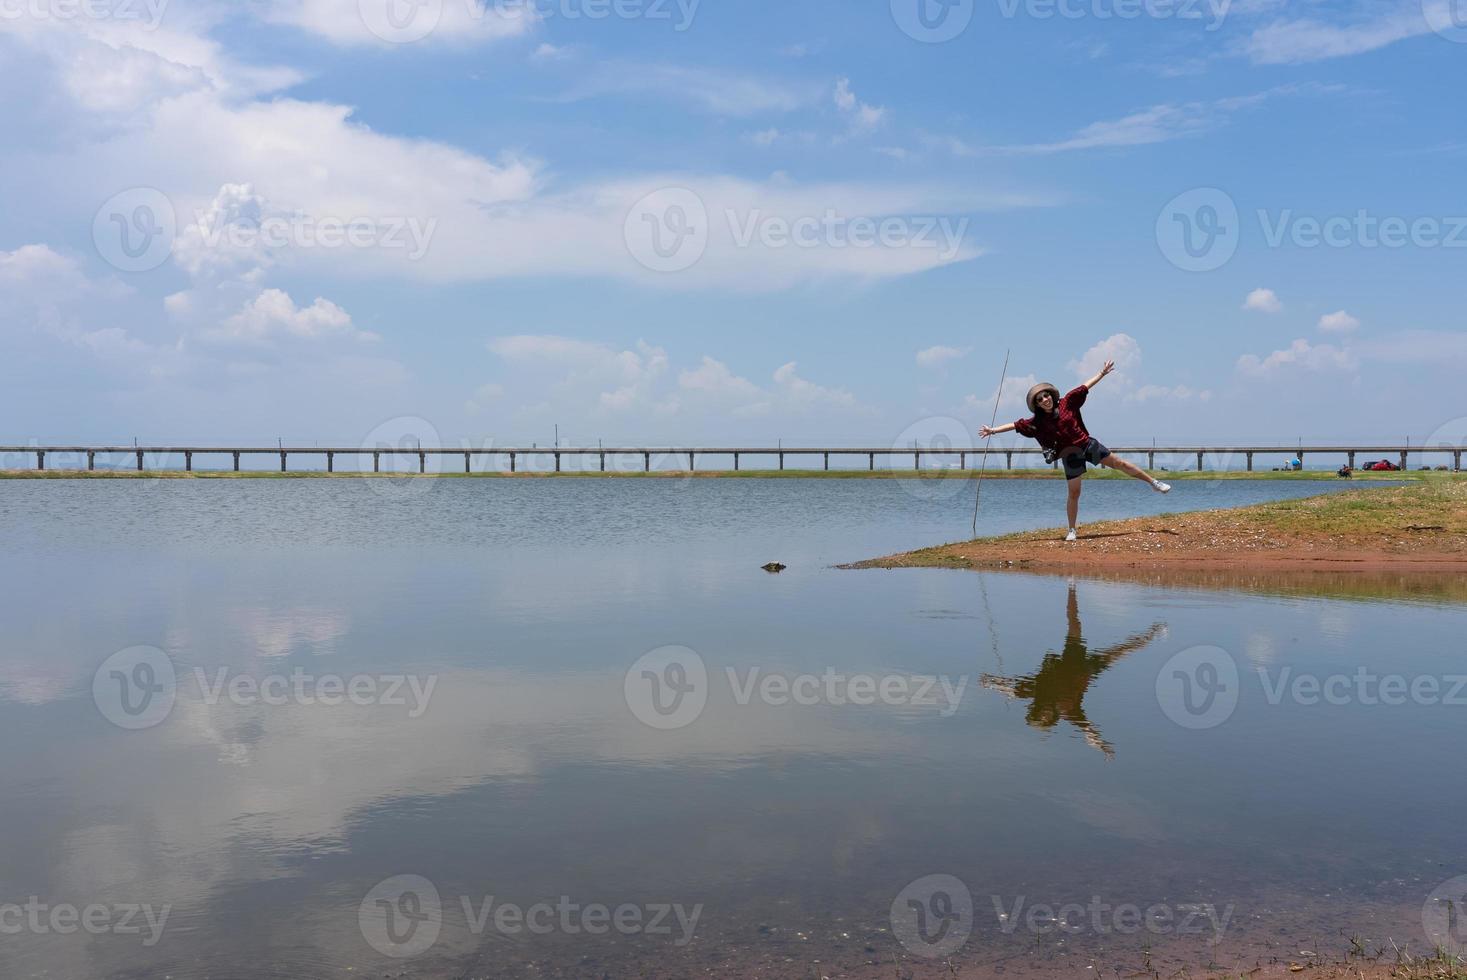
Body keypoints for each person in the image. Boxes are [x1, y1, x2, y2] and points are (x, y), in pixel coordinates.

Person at [979, 359, 1170, 542]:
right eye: (1040, 399)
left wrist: (1102, 373)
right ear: (1036, 404)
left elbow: (1085, 386)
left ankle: (1153, 482)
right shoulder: (1037, 421)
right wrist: (992, 431)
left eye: (1046, 395)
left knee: (1120, 464)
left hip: (1087, 444)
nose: (1044, 400)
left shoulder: (1067, 402)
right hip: (1069, 455)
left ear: (1051, 395)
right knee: (1074, 493)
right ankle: (1071, 530)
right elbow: (1015, 424)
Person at [980, 583, 1167, 759]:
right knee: (1124, 650)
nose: (1044, 714)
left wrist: (991, 683)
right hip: (1086, 670)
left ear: (1035, 710)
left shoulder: (1034, 693)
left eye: (1040, 715)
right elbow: (1087, 729)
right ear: (1051, 718)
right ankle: (1154, 633)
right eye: (1045, 718)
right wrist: (1100, 744)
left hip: (1069, 661)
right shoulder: (1068, 711)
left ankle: (1072, 586)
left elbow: (1010, 689)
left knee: (1074, 622)